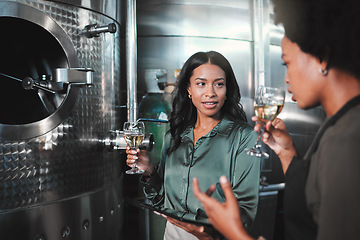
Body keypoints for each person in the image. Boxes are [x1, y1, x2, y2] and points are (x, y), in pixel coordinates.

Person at [193, 0, 360, 239]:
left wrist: (234, 232)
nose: (286, 78)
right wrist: (286, 152)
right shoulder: (342, 126)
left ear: (322, 58)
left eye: (287, 63)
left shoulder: (346, 139)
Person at [126, 51, 261, 240]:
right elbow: (161, 202)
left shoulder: (244, 137)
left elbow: (245, 213)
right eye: (201, 83)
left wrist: (207, 232)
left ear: (227, 89)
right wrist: (148, 170)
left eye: (219, 84)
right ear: (188, 89)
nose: (210, 93)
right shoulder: (174, 136)